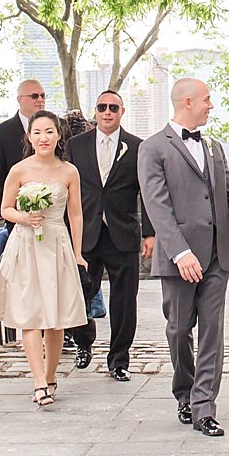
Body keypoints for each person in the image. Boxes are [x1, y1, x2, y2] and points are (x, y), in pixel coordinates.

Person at [138, 78, 229, 437]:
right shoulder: (152, 148)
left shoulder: (214, 146)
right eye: (207, 100)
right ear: (188, 102)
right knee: (179, 331)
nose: (212, 106)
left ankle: (204, 406)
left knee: (212, 330)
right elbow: (157, 206)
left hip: (216, 255)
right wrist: (180, 252)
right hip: (178, 258)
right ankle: (185, 392)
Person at [0, 110, 88, 407]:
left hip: (56, 242)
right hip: (26, 244)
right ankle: (37, 382)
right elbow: (4, 209)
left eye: (49, 131)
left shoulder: (69, 171)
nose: (43, 137)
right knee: (31, 314)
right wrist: (25, 217)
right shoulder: (19, 170)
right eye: (37, 132)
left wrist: (77, 252)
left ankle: (50, 376)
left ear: (58, 135)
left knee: (56, 318)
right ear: (29, 137)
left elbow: (75, 213)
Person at [64, 89, 155, 379]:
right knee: (79, 293)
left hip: (123, 233)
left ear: (122, 112)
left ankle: (119, 361)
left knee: (124, 300)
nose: (107, 112)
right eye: (102, 107)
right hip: (85, 233)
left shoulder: (137, 147)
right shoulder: (75, 146)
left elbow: (147, 193)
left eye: (113, 108)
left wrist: (149, 234)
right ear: (95, 110)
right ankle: (83, 342)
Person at [0, 79, 46, 284]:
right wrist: (7, 215)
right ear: (20, 99)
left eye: (43, 96)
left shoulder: (55, 128)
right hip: (17, 219)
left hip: (52, 219)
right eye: (34, 96)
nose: (40, 100)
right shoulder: (2, 133)